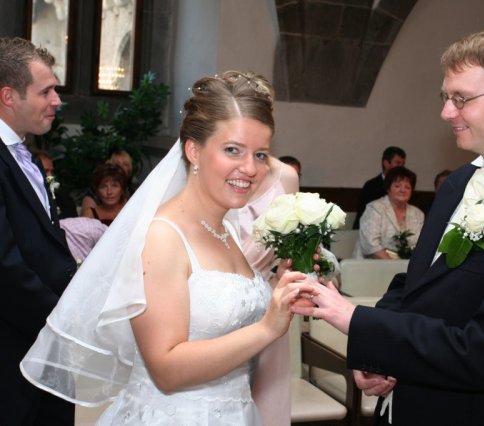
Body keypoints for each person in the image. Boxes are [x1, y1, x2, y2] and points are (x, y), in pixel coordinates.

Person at [291, 23, 484, 425]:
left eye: (461, 99)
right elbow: (415, 285)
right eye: (446, 98)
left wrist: (355, 320)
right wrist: (378, 355)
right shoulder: (460, 183)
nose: (446, 112)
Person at [21, 71, 310, 425]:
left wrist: (279, 289)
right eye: (233, 150)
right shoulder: (163, 236)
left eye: (261, 154)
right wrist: (266, 328)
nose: (250, 168)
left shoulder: (227, 230)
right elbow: (167, 370)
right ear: (194, 150)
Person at [0, 37, 77, 425]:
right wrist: (58, 320)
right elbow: (5, 263)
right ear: (8, 96)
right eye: (45, 91)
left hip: (47, 349)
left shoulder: (25, 155)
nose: (56, 101)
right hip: (13, 348)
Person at [225, 155, 299, 426]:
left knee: (267, 407)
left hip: (269, 308)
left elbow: (289, 253)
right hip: (214, 311)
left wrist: (288, 271)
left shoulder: (286, 176)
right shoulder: (209, 168)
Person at [354, 166, 424, 259]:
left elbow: (421, 245)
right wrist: (393, 265)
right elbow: (371, 245)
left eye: (407, 187)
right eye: (397, 186)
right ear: (388, 188)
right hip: (372, 263)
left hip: (407, 265)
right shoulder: (374, 208)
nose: (402, 190)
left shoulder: (418, 214)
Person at [353, 146, 406, 229]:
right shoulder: (371, 186)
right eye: (398, 163)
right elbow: (367, 215)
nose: (401, 168)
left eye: (403, 164)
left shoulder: (404, 188)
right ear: (386, 163)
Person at [32, 149, 79, 218]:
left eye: (51, 171)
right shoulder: (25, 203)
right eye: (45, 171)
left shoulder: (66, 201)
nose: (50, 176)